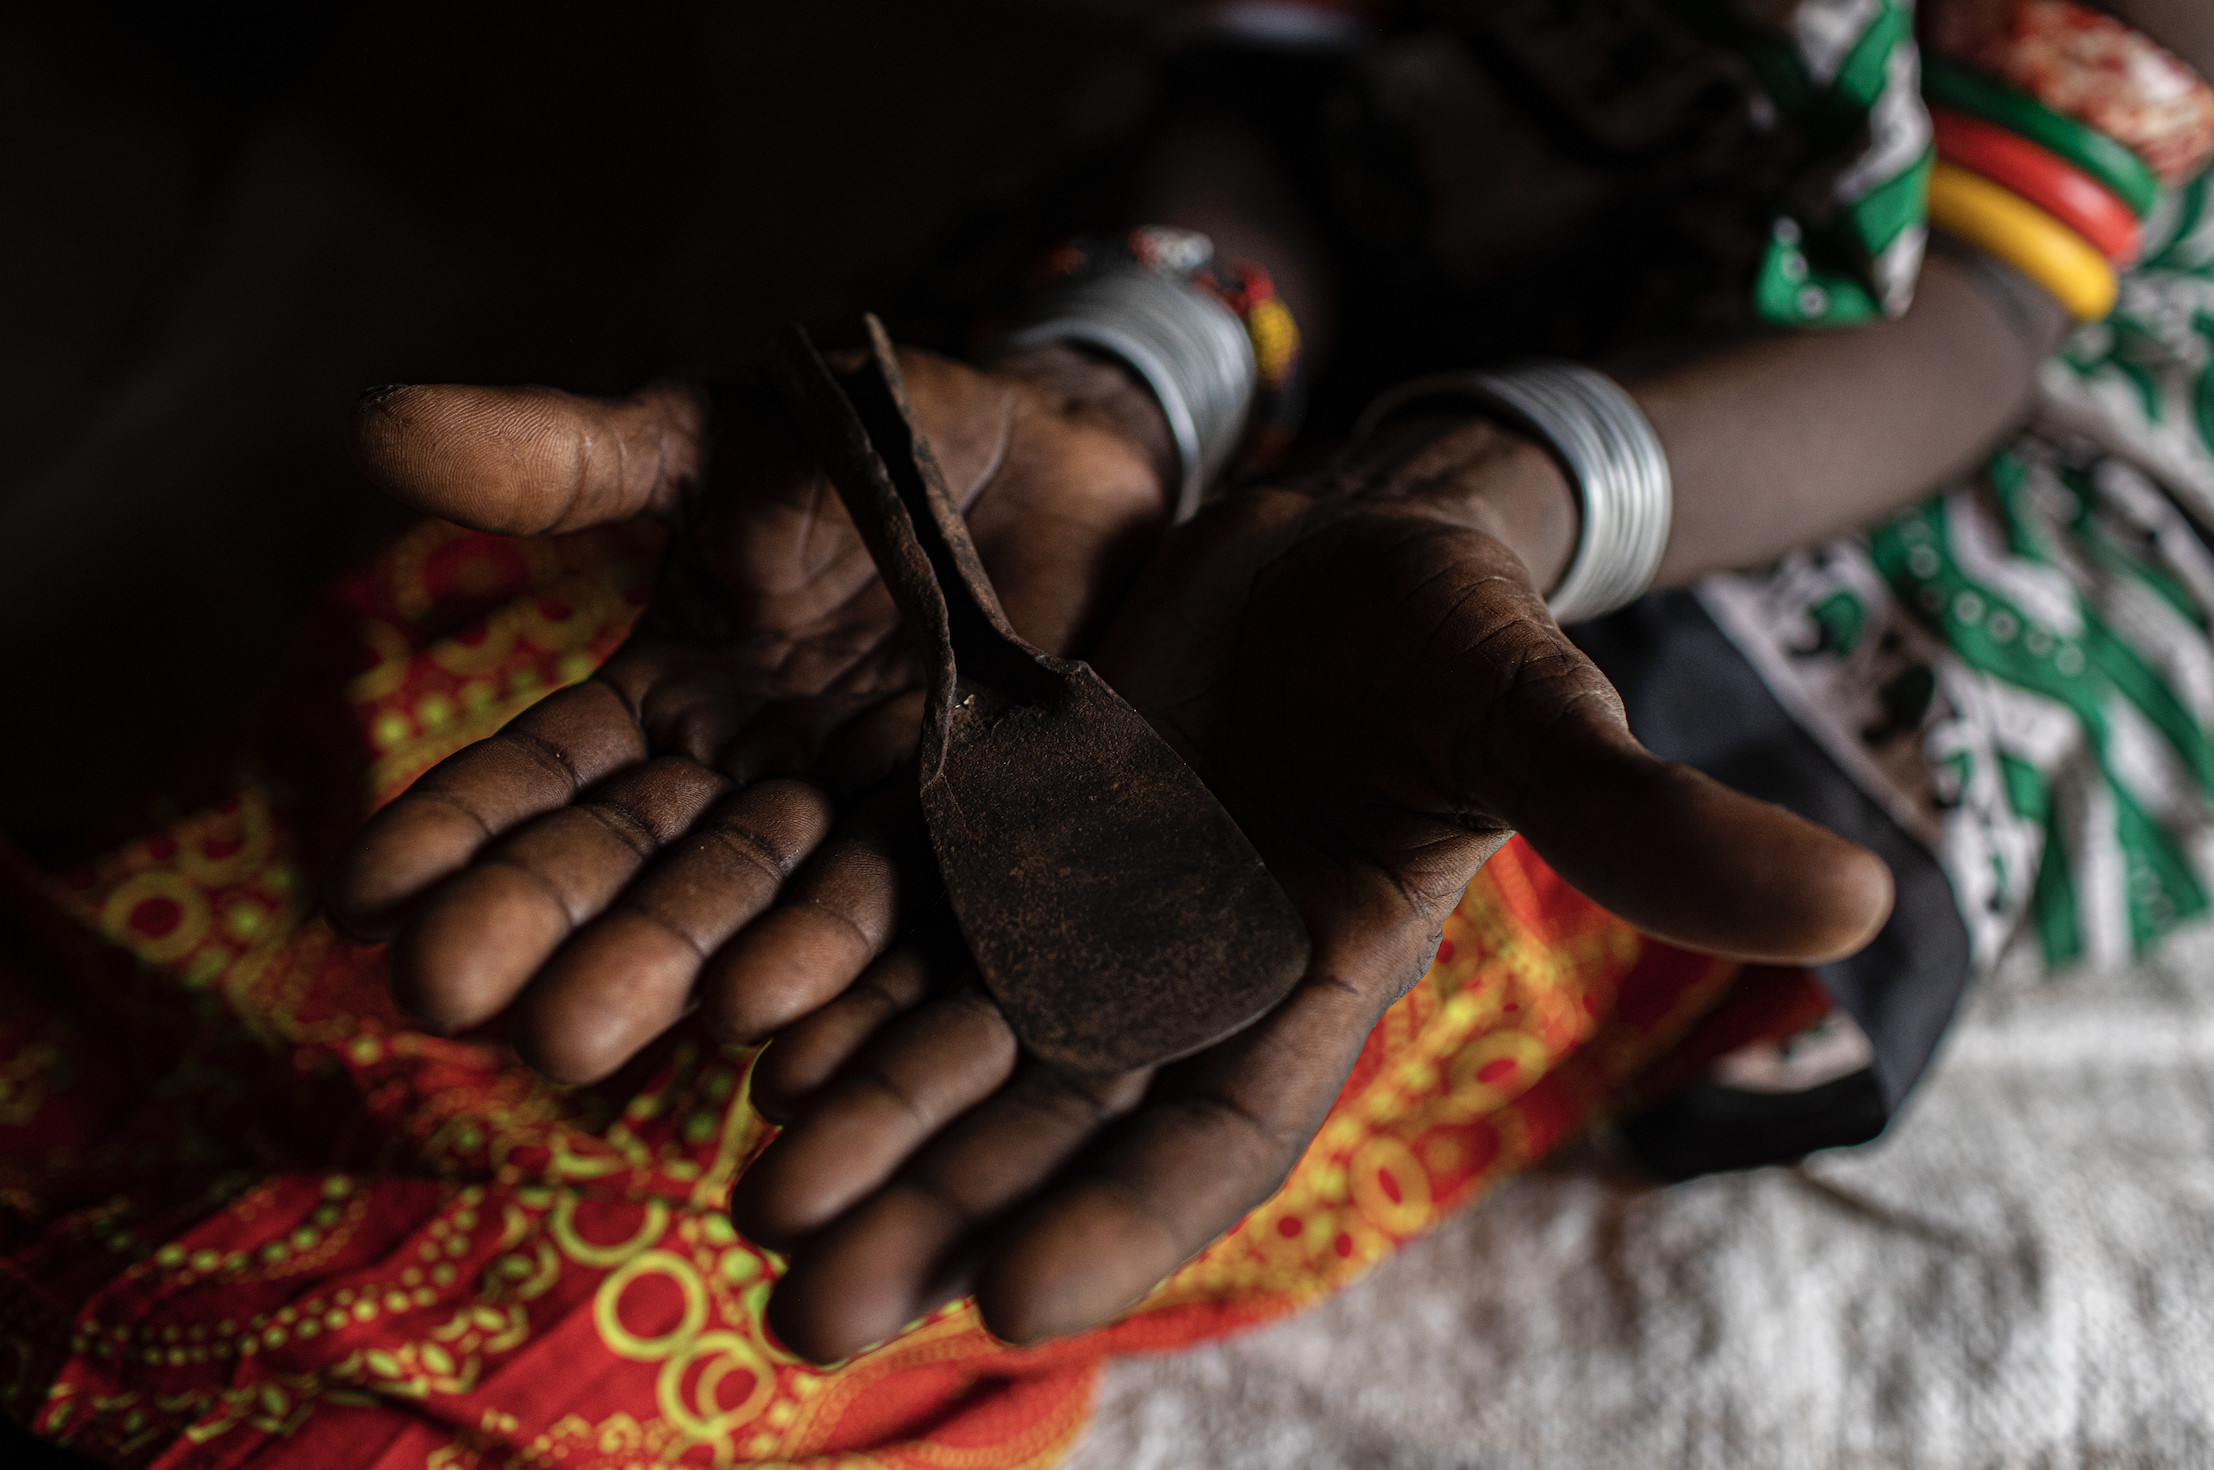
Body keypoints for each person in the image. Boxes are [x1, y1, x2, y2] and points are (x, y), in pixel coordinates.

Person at [9, 2, 2213, 1466]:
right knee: (446, 772)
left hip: (1767, 546)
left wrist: (1470, 498)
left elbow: (1976, 327)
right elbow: (1289, 103)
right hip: (1255, 378)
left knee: (695, 1205)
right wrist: (1120, 376)